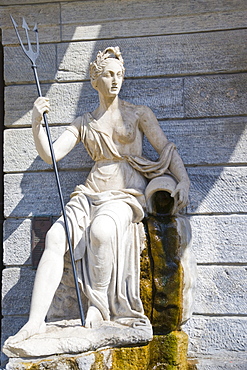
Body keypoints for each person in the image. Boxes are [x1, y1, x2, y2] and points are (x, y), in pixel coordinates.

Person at [6, 46, 190, 344]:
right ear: (95, 80)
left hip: (125, 192)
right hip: (90, 191)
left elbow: (165, 147)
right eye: (108, 75)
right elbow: (51, 155)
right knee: (55, 238)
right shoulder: (84, 122)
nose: (115, 80)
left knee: (102, 231)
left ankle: (98, 306)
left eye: (118, 74)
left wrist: (184, 181)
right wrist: (37, 124)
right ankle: (35, 322)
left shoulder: (138, 114)